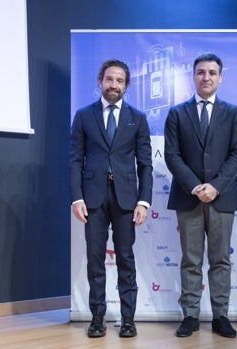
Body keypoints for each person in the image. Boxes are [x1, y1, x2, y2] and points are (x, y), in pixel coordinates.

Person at [70, 59, 153, 338]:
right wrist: (76, 197)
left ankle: (128, 319)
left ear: (126, 85)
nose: (113, 85)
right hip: (92, 198)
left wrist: (144, 201)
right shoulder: (83, 115)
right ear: (100, 82)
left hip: (126, 199)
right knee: (95, 260)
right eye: (109, 79)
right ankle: (97, 318)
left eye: (119, 81)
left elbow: (145, 165)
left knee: (125, 259)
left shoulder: (138, 118)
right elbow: (74, 160)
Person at [164, 53, 237, 338]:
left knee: (221, 259)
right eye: (201, 72)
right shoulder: (176, 113)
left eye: (212, 72)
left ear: (220, 78)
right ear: (193, 76)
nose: (206, 77)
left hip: (222, 197)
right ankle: (190, 316)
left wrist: (216, 186)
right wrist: (195, 186)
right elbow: (172, 155)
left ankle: (221, 316)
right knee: (191, 259)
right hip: (189, 197)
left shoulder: (233, 112)